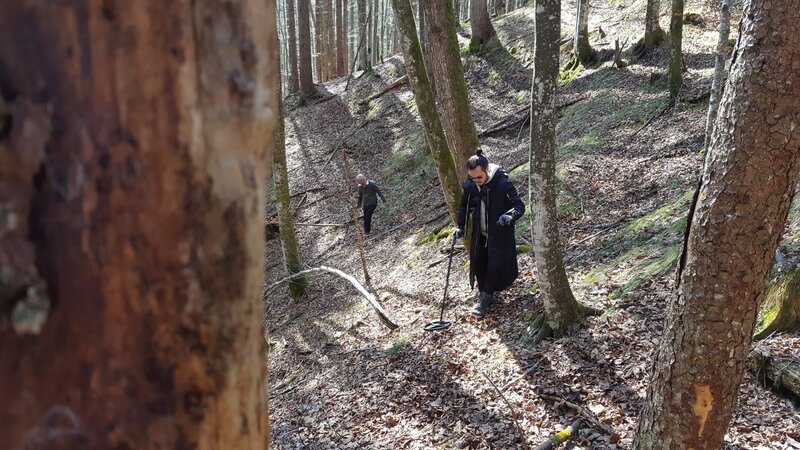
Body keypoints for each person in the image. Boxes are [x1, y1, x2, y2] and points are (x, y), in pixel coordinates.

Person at [455, 150, 525, 318]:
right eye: (472, 177)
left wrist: (510, 216)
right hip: (480, 233)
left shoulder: (502, 184)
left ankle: (484, 300)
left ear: (487, 170)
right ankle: (485, 293)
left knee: (495, 264)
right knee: (478, 262)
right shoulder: (471, 185)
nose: (476, 181)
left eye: (479, 177)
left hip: (500, 233)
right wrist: (460, 227)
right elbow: (464, 206)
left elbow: (519, 206)